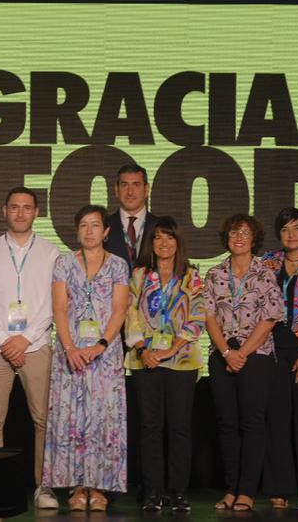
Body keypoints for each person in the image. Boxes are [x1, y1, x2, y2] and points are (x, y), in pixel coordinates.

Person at [0, 187, 62, 510]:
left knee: (43, 420)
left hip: (36, 345)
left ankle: (44, 487)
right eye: (15, 207)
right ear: (4, 211)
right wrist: (5, 340)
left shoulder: (52, 253)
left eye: (27, 208)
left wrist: (24, 339)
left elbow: (56, 303)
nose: (21, 213)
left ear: (37, 212)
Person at [43, 205, 130, 512]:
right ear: (77, 231)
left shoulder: (119, 265)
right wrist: (69, 348)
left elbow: (120, 309)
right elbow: (60, 309)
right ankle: (78, 486)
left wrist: (102, 344)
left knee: (104, 418)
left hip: (105, 354)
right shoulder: (63, 263)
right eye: (84, 225)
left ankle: (101, 486)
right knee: (72, 419)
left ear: (106, 231)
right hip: (72, 351)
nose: (89, 230)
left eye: (95, 225)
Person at [203, 213, 283, 513]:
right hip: (222, 353)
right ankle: (231, 487)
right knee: (226, 424)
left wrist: (242, 353)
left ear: (254, 240)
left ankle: (248, 490)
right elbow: (208, 315)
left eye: (245, 233)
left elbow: (271, 317)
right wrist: (226, 352)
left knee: (251, 423)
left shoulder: (265, 273)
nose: (239, 238)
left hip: (256, 355)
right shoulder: (214, 274)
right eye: (234, 232)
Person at [124, 216, 204, 513]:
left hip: (182, 361)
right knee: (150, 427)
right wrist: (144, 348)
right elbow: (129, 315)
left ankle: (178, 492)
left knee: (180, 427)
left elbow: (197, 317)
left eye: (169, 237)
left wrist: (170, 349)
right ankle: (152, 492)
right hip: (145, 359)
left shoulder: (191, 275)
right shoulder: (140, 275)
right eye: (158, 237)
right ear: (151, 242)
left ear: (178, 242)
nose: (164, 243)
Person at [261, 207, 298, 510]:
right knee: (276, 420)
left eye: (297, 228)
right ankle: (279, 487)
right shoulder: (268, 263)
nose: (291, 235)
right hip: (272, 348)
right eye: (285, 229)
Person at [103, 164, 157, 274]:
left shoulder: (161, 226)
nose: (130, 192)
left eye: (136, 185)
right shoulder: (103, 226)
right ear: (116, 189)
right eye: (124, 185)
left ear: (147, 189)